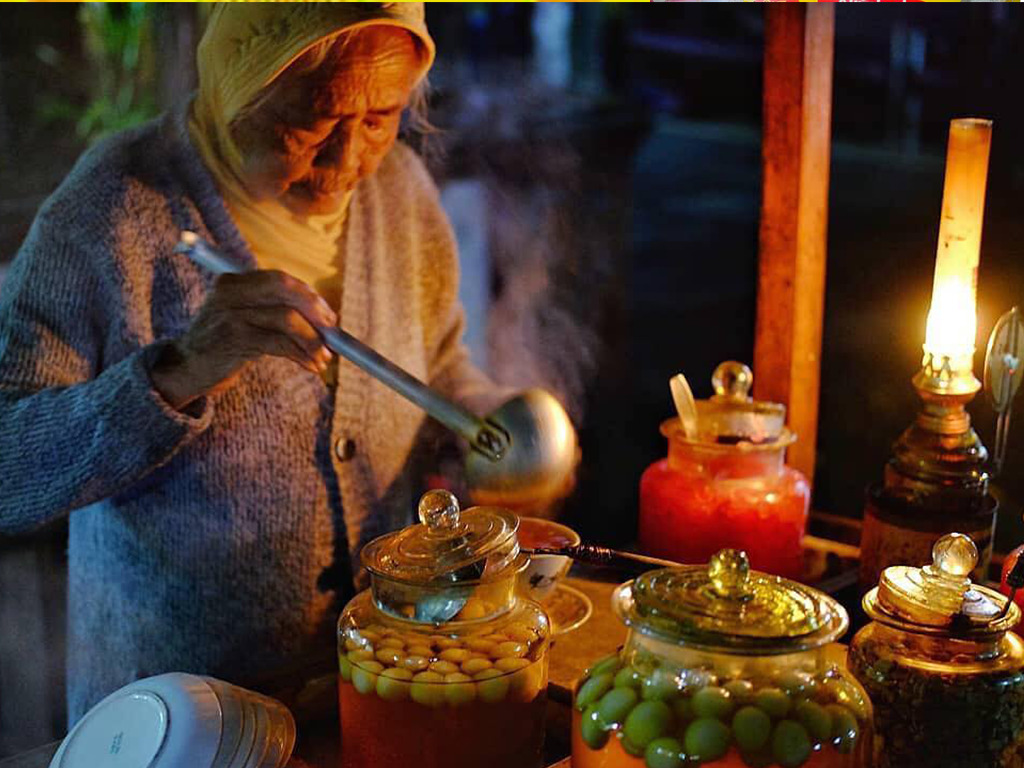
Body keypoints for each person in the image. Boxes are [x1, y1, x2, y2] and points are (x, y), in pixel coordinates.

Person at [0, 4, 527, 724]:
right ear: (238, 83)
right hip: (174, 721)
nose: (347, 165)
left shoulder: (399, 191)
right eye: (311, 121)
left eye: (380, 117)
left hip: (377, 692)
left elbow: (436, 364)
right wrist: (180, 371)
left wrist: (492, 425)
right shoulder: (115, 209)